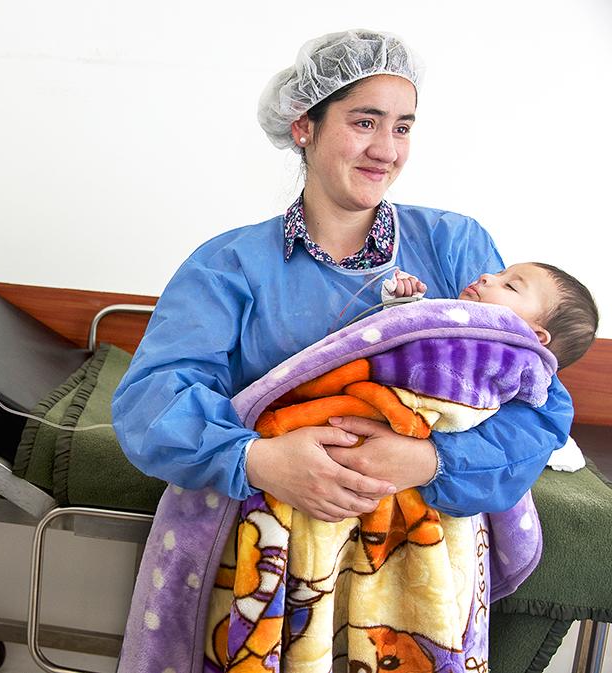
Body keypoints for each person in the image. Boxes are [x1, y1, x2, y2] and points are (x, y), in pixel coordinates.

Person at [111, 28, 574, 523]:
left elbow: (540, 404)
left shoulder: (453, 244)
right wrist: (258, 459)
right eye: (365, 122)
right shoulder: (228, 265)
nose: (386, 150)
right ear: (303, 127)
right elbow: (150, 400)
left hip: (428, 564)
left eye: (401, 128)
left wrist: (431, 461)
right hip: (268, 556)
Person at [385, 262, 599, 369]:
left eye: (510, 286)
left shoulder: (506, 369)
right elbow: (389, 335)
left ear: (535, 335)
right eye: (500, 273)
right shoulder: (447, 314)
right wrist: (404, 300)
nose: (487, 276)